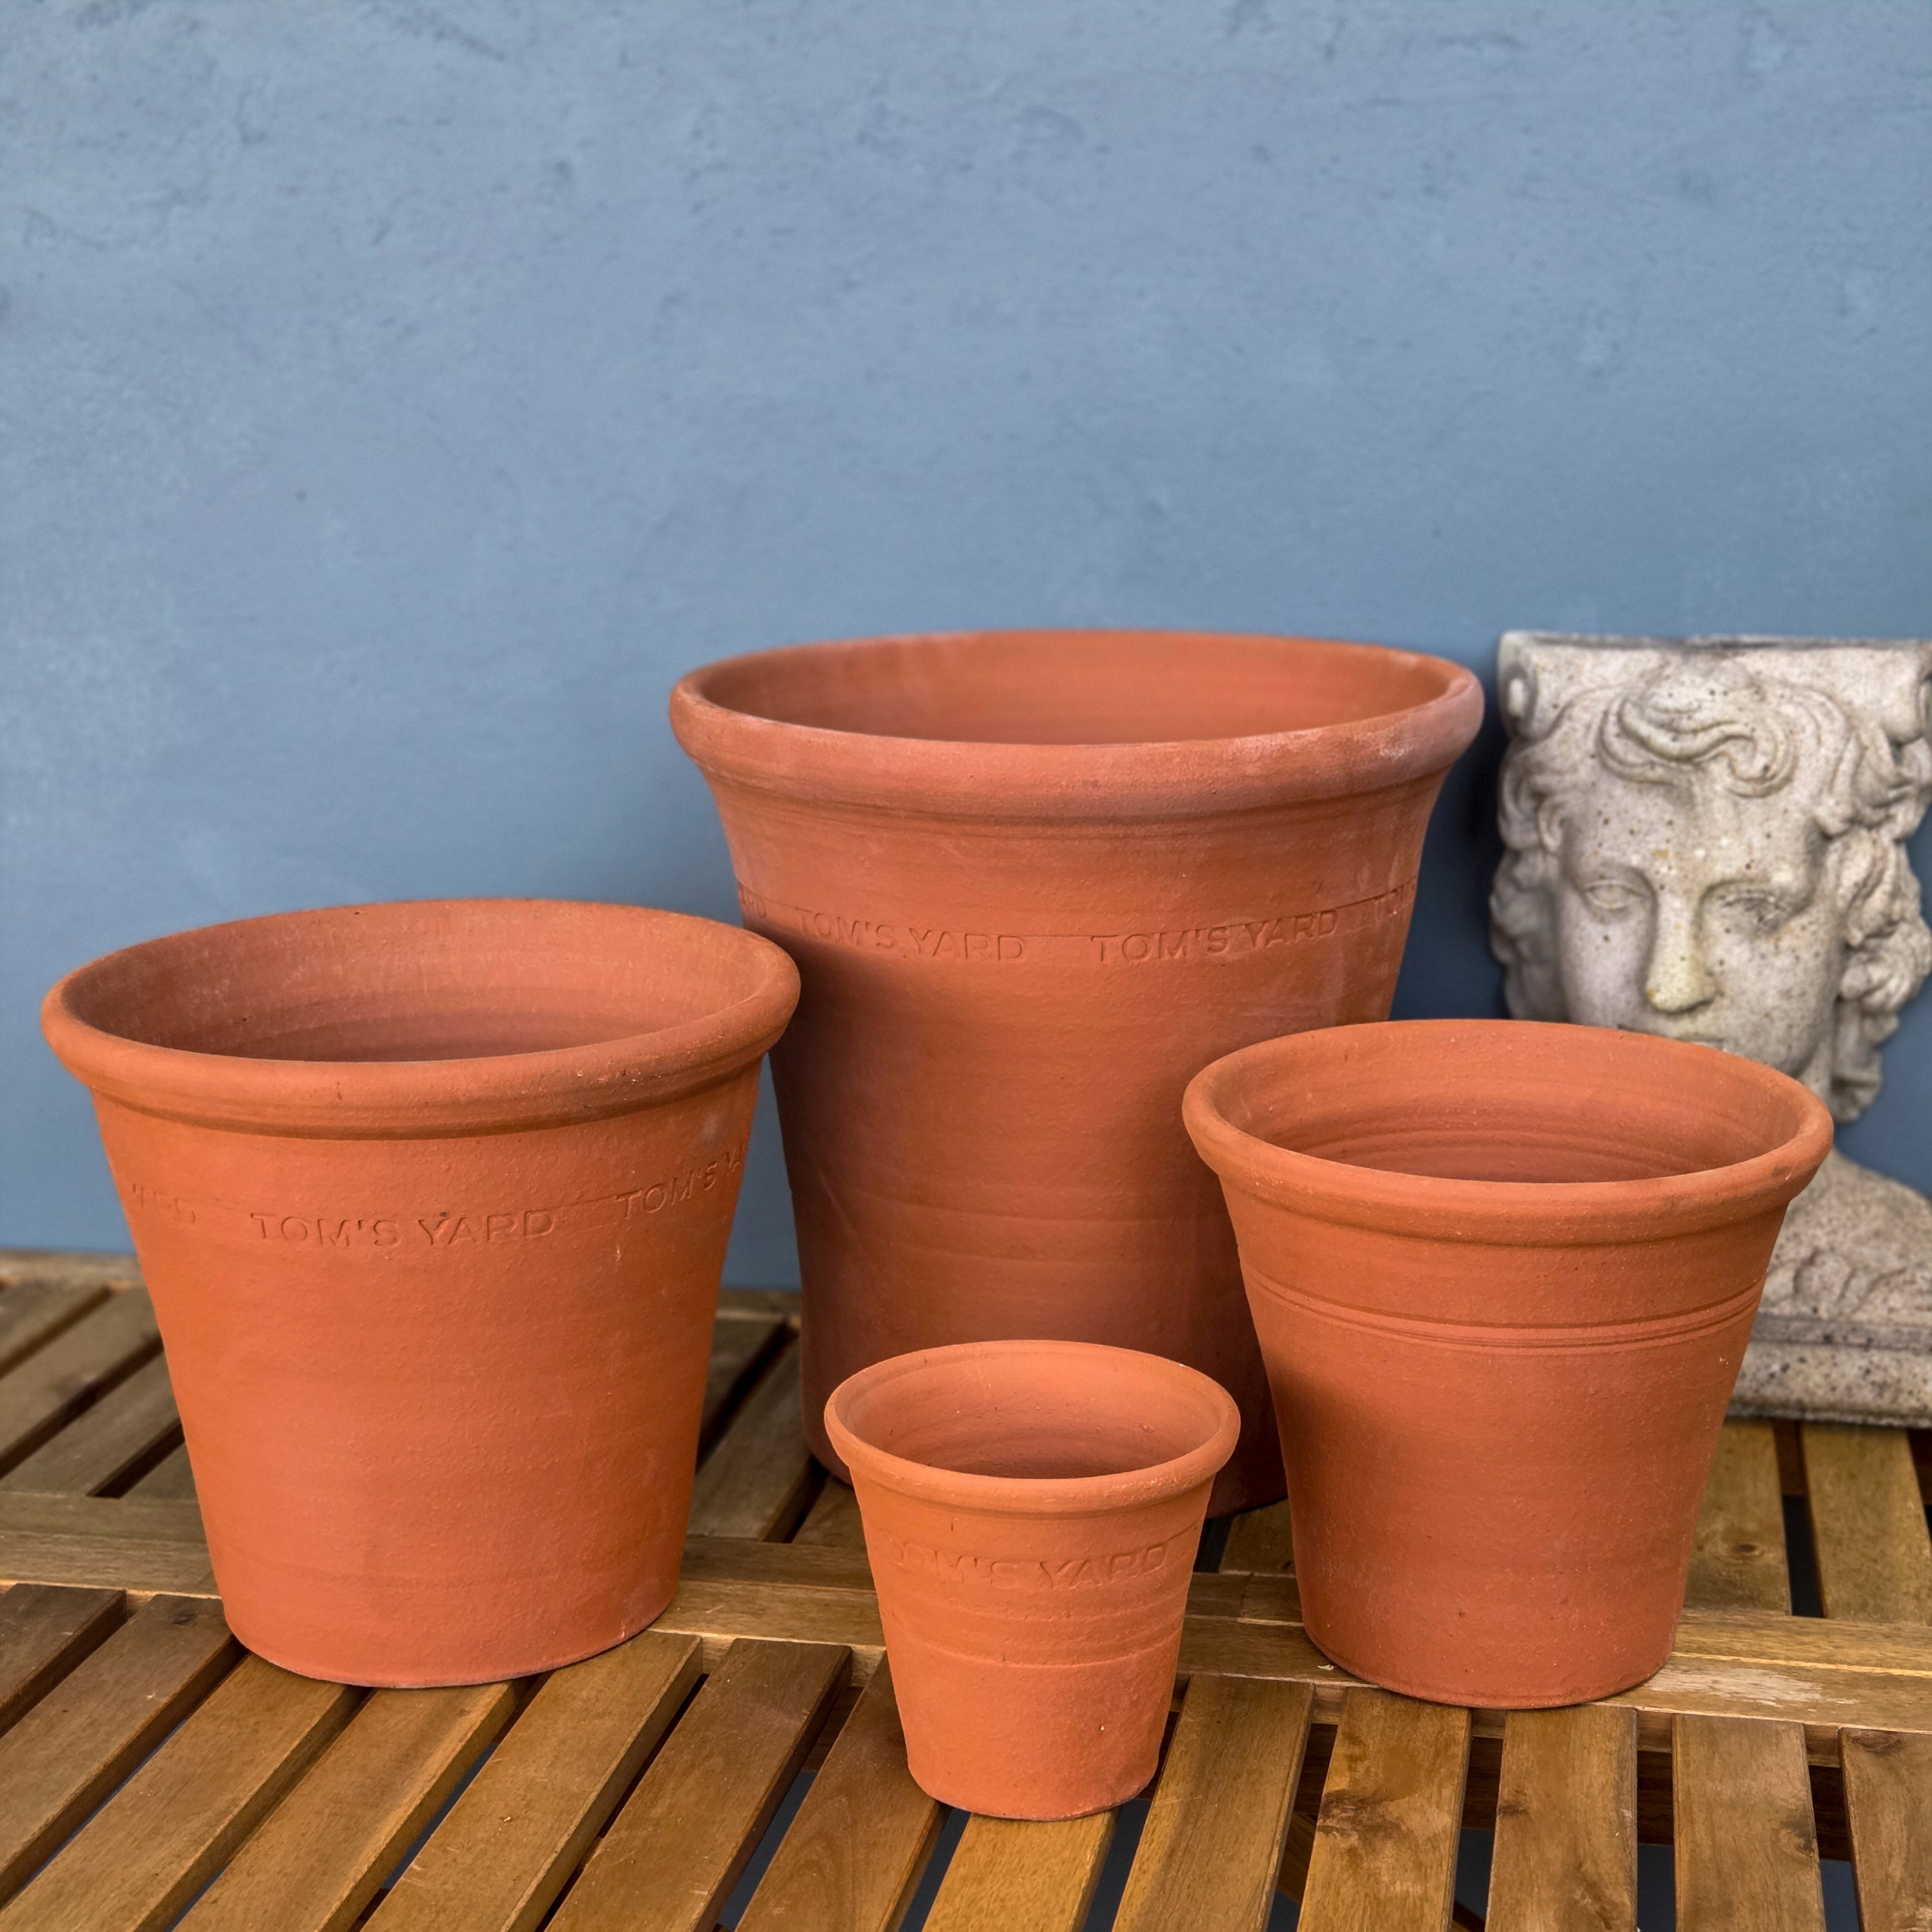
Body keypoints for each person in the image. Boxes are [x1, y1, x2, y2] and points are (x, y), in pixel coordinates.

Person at [1492, 639, 1932, 1423]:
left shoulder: (1906, 1271)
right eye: (1613, 896)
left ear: (1858, 927)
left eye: (1753, 909)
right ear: (1542, 902)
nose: (1670, 983)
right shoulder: (1483, 1256)